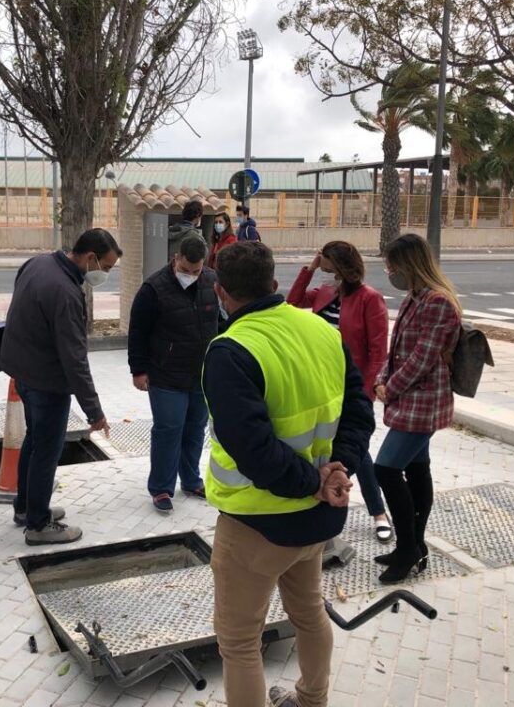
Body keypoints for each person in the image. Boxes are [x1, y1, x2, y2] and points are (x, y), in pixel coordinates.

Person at [203, 242, 374, 707]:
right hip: (317, 520)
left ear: (221, 292)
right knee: (310, 613)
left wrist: (316, 480)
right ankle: (312, 700)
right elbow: (360, 410)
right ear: (274, 285)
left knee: (239, 644)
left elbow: (253, 452)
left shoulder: (231, 351)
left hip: (256, 525)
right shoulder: (321, 330)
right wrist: (340, 469)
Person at [0, 228, 121, 545]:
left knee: (34, 442)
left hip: (23, 374)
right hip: (47, 383)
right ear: (90, 257)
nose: (106, 274)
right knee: (46, 452)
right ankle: (38, 526)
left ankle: (26, 508)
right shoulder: (65, 292)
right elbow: (74, 358)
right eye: (106, 267)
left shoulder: (39, 263)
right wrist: (94, 411)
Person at [287, 241, 392, 543]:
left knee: (359, 452)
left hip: (350, 386)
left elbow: (377, 351)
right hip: (318, 384)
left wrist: (366, 393)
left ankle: (378, 513)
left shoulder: (370, 299)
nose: (323, 265)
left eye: (327, 261)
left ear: (341, 264)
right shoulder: (325, 291)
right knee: (332, 448)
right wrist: (309, 269)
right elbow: (292, 304)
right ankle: (347, 510)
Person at [373, 233, 461, 583]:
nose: (389, 271)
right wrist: (382, 378)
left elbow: (422, 359)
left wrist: (389, 389)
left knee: (385, 469)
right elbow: (397, 351)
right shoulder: (415, 297)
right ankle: (415, 544)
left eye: (392, 265)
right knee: (417, 468)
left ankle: (408, 547)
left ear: (409, 264)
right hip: (410, 398)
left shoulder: (438, 303)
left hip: (421, 403)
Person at [128, 236, 219, 512]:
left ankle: (191, 480)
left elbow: (224, 321)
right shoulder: (153, 288)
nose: (191, 275)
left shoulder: (212, 282)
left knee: (195, 429)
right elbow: (137, 332)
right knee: (168, 430)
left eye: (196, 270)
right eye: (186, 269)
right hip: (165, 374)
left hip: (201, 374)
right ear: (176, 257)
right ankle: (161, 489)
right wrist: (138, 370)